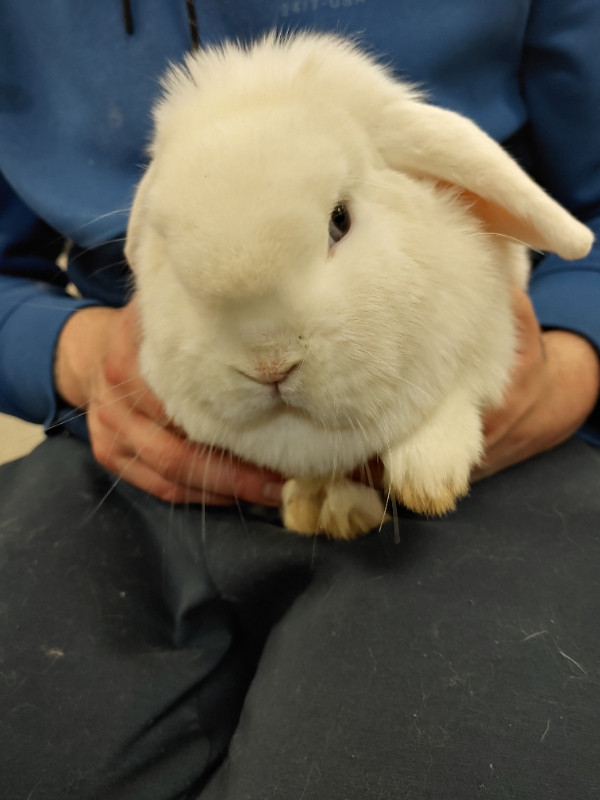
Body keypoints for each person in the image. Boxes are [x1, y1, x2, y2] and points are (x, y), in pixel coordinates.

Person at [1, 2, 599, 797]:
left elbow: (579, 220)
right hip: (139, 428)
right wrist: (69, 355)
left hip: (494, 446)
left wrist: (570, 361)